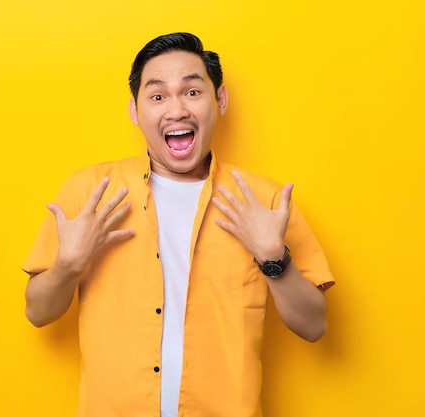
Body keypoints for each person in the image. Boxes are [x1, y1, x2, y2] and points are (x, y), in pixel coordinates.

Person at [22, 32, 334, 417]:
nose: (177, 110)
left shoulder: (265, 202)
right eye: (157, 96)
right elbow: (38, 312)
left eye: (191, 92)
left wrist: (274, 258)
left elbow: (314, 325)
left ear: (219, 100)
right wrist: (68, 265)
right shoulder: (90, 194)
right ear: (135, 111)